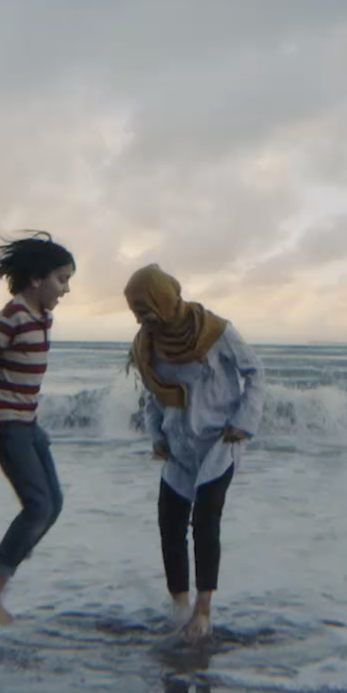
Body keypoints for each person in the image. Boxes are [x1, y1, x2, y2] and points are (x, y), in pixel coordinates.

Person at [124, 264, 263, 643]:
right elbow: (152, 392)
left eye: (144, 309)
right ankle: (179, 609)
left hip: (221, 441)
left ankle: (203, 610)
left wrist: (244, 420)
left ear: (164, 300)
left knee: (204, 520)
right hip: (179, 444)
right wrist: (156, 434)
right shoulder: (147, 343)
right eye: (135, 311)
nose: (140, 318)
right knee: (169, 524)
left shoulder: (216, 332)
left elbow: (255, 372)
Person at [0, 232, 76, 625]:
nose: (65, 289)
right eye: (61, 280)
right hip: (10, 427)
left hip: (29, 425)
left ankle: (8, 562)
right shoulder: (11, 316)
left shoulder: (42, 316)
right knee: (38, 506)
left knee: (54, 505)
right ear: (36, 279)